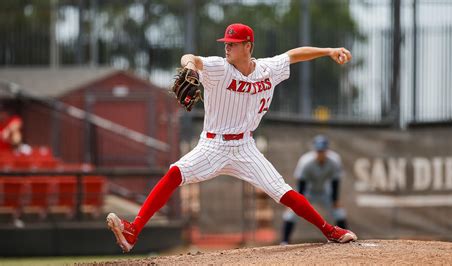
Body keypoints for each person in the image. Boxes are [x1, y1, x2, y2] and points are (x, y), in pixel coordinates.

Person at [106, 23, 357, 253]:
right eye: (225, 42)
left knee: (283, 191)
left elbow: (293, 54)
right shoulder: (218, 68)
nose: (227, 46)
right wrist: (191, 67)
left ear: (248, 46)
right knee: (174, 173)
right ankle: (133, 231)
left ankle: (330, 231)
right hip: (212, 146)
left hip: (245, 147)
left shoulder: (268, 69)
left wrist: (328, 50)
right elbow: (190, 57)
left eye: (232, 43)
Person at [281, 135, 349, 245]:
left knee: (339, 213)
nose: (320, 153)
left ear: (327, 150)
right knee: (290, 214)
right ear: (315, 150)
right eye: (318, 151)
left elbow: (335, 181)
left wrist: (335, 200)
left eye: (322, 151)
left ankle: (345, 237)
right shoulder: (306, 162)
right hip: (308, 192)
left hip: (324, 192)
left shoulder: (334, 160)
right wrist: (297, 203)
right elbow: (302, 184)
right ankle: (284, 241)